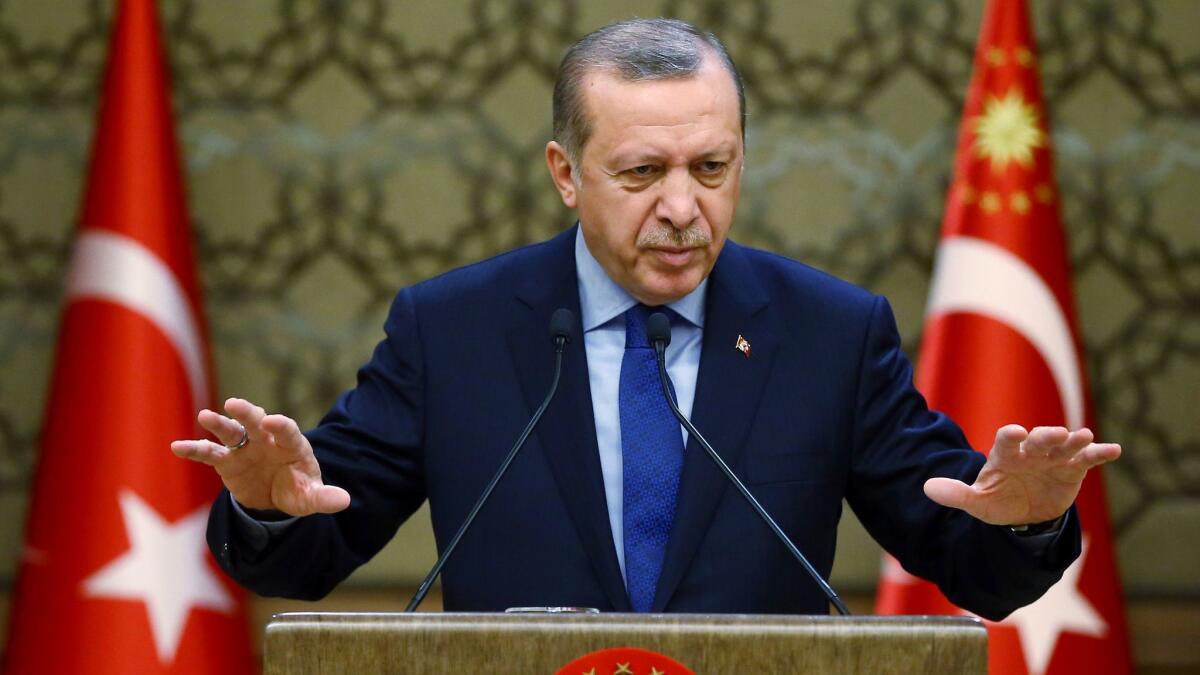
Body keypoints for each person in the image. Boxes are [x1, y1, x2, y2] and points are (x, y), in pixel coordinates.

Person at [171, 18, 1119, 617]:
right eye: (641, 173)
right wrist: (265, 507)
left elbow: (971, 559)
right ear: (565, 173)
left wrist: (1025, 525)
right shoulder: (450, 328)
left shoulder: (831, 333)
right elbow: (310, 552)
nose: (681, 206)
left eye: (711, 168)